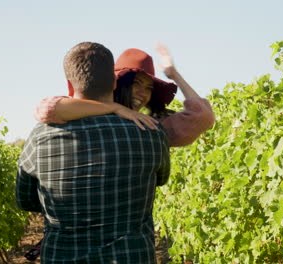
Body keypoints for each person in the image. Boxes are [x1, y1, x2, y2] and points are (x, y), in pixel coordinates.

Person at [16, 42, 170, 263]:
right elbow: (160, 179)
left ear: (69, 84)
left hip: (62, 256)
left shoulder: (41, 135)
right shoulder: (151, 132)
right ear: (115, 81)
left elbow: (26, 200)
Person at [35, 44, 215, 147]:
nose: (142, 93)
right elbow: (46, 108)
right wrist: (115, 108)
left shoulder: (146, 126)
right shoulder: (147, 131)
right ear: (117, 84)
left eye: (148, 88)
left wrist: (174, 74)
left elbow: (203, 117)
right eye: (136, 83)